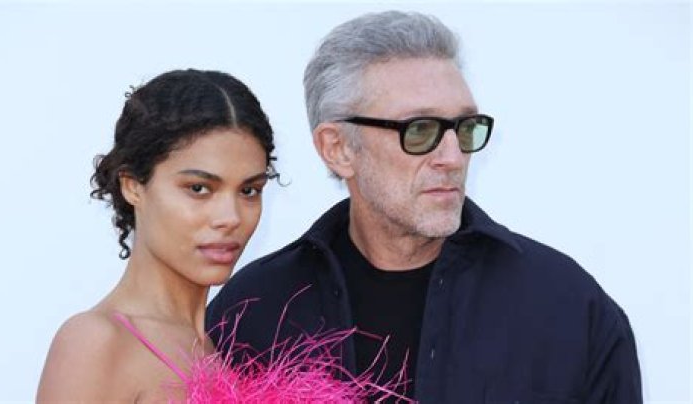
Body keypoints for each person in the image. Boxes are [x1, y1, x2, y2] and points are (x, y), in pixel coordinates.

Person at [206, 11, 643, 403]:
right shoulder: (252, 314)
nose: (452, 157)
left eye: (464, 127)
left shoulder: (569, 307)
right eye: (420, 130)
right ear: (337, 148)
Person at [37, 69, 397, 402]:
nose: (231, 218)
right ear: (132, 185)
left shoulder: (226, 348)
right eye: (199, 188)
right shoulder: (97, 343)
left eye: (249, 191)